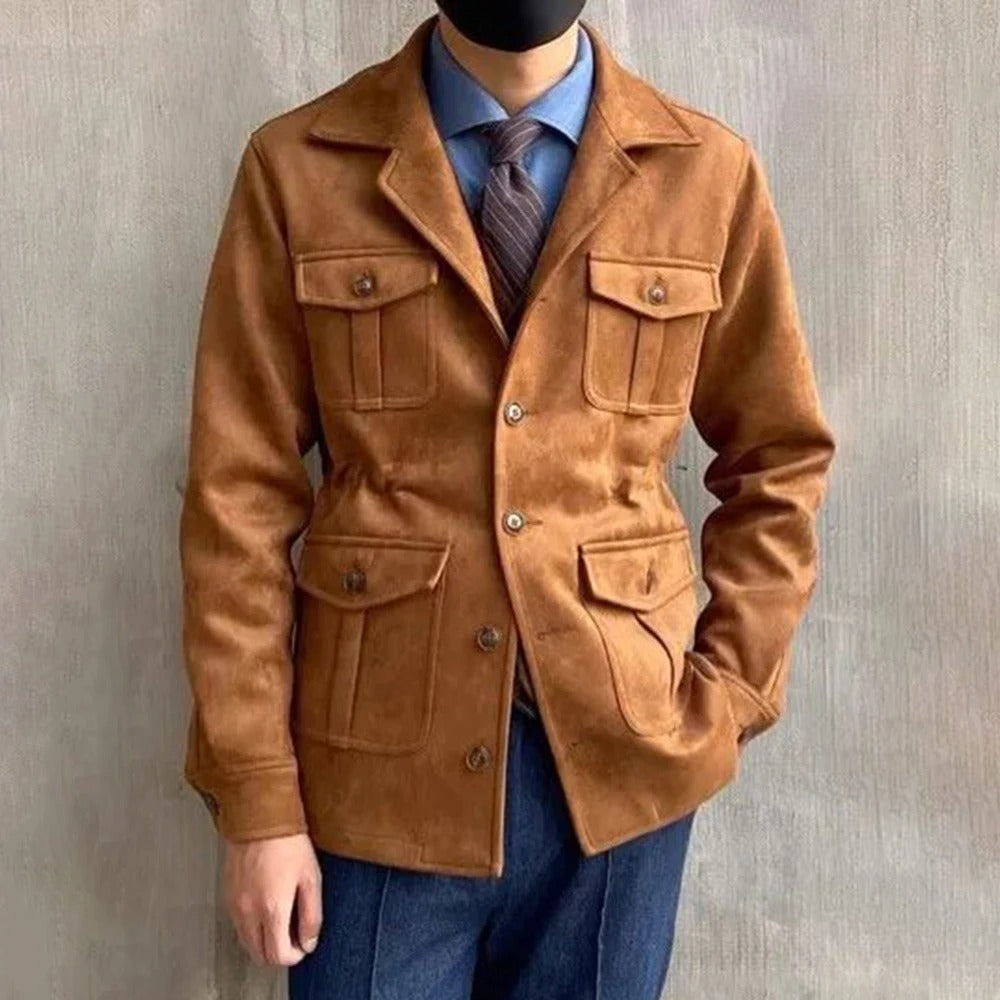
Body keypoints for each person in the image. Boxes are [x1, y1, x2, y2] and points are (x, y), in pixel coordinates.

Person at [177, 2, 837, 997]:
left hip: (624, 773)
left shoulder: (704, 173)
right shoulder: (302, 166)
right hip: (376, 777)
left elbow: (778, 456)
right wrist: (257, 798)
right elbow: (238, 498)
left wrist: (730, 690)